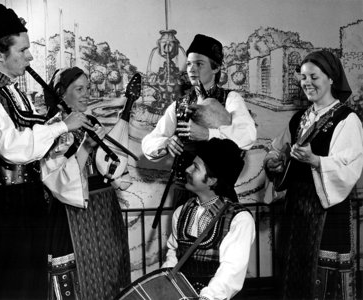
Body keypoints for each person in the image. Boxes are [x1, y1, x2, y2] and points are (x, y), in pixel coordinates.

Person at [0, 4, 93, 300]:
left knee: (33, 284)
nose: (30, 56)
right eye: (22, 50)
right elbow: (11, 146)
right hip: (4, 205)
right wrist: (61, 128)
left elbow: (33, 139)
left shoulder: (13, 91)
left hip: (27, 200)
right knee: (13, 286)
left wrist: (66, 131)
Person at [264, 50, 363, 299]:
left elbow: (349, 166)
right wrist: (273, 162)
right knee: (294, 273)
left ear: (331, 78)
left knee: (322, 277)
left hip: (328, 211)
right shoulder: (299, 118)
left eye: (314, 76)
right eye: (303, 77)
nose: (306, 82)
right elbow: (277, 150)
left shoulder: (347, 119)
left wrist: (315, 160)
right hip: (296, 210)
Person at [42, 67, 131, 299]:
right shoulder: (52, 127)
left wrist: (114, 168)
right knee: (77, 276)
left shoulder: (90, 121)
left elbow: (104, 165)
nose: (86, 94)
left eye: (88, 88)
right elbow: (55, 180)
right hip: (71, 212)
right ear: (61, 94)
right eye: (79, 89)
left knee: (106, 270)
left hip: (102, 210)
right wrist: (86, 148)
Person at [141, 34, 256, 207]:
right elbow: (148, 143)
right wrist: (166, 143)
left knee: (219, 233)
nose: (192, 69)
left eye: (199, 64)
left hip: (218, 191)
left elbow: (247, 136)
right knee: (184, 233)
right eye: (189, 64)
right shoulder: (178, 105)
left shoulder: (231, 99)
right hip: (184, 192)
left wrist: (209, 134)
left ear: (216, 68)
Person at [161, 138, 255, 300]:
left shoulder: (239, 219)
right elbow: (173, 254)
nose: (188, 169)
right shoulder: (181, 212)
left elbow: (231, 270)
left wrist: (207, 297)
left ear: (212, 180)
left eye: (196, 167)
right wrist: (164, 287)